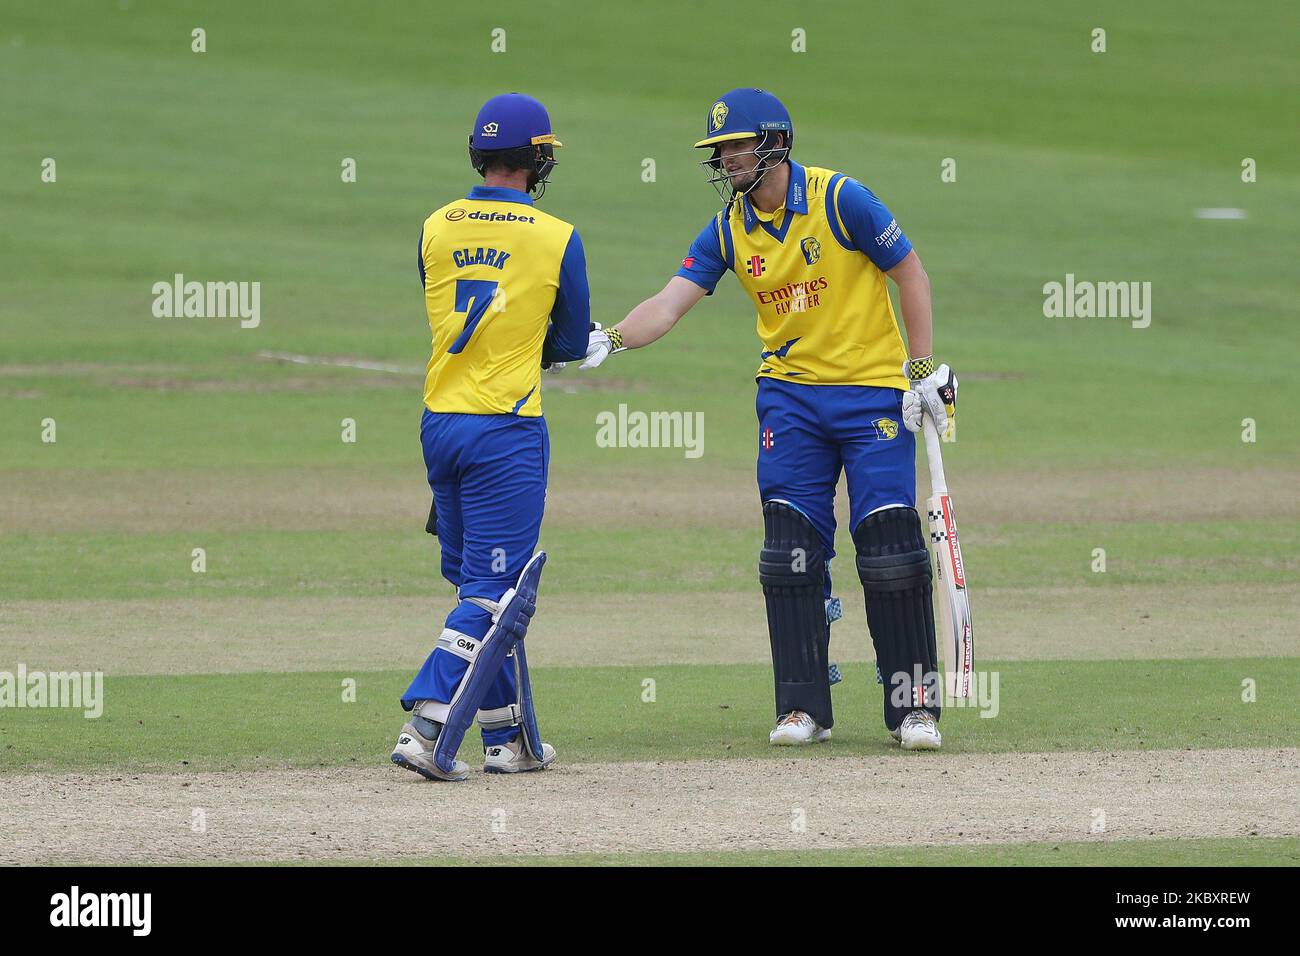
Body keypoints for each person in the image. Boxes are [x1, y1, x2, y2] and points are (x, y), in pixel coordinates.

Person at [579, 88, 958, 751]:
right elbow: (670, 303)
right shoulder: (728, 227)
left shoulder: (843, 200)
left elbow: (912, 275)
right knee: (789, 554)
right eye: (719, 149)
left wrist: (922, 369)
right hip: (790, 398)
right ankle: (802, 709)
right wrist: (610, 338)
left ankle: (914, 710)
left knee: (891, 550)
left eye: (736, 146)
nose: (726, 159)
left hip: (872, 392)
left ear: (774, 144)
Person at [390, 92, 589, 781]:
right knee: (495, 594)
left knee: (479, 587)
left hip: (439, 423)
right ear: (538, 159)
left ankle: (508, 739)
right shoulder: (557, 235)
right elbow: (565, 340)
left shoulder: (435, 225)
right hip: (505, 429)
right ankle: (426, 724)